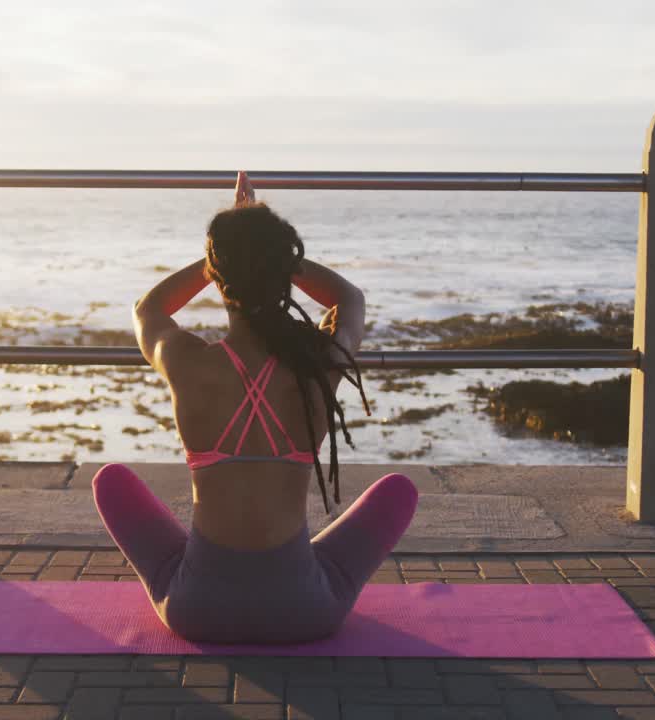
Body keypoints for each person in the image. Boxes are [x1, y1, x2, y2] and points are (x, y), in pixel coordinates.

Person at [92, 171, 418, 644]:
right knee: (398, 492)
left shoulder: (186, 362)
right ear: (283, 274)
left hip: (197, 610)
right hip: (306, 612)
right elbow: (350, 298)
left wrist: (221, 257)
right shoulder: (319, 365)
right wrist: (271, 254)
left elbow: (149, 309)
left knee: (110, 483)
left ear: (219, 279)